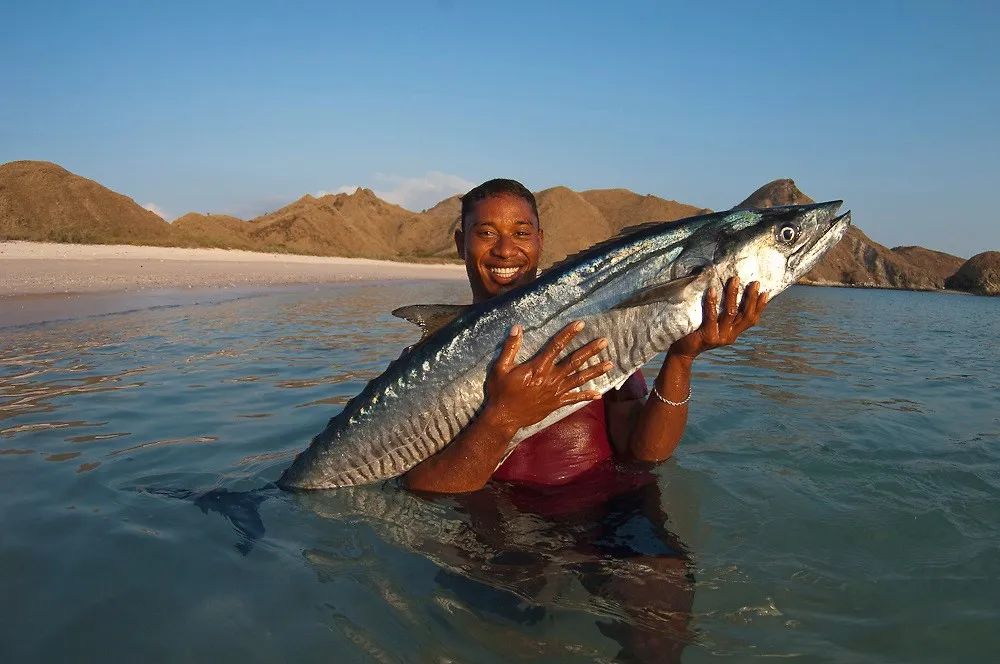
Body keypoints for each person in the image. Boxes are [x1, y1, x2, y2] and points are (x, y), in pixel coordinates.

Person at [403, 178, 768, 494]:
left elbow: (645, 455)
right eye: (485, 233)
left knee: (659, 576)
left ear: (539, 241)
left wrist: (682, 358)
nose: (505, 249)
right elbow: (424, 489)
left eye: (521, 233)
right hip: (496, 518)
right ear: (460, 242)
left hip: (607, 513)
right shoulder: (428, 371)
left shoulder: (592, 330)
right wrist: (504, 418)